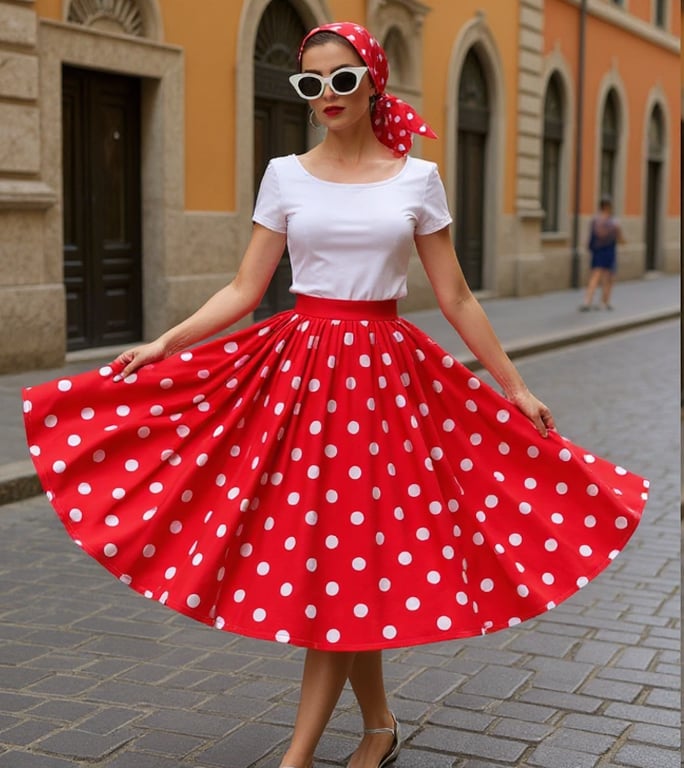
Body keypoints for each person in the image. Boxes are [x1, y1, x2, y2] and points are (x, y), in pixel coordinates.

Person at [22, 22, 648, 768]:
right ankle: (377, 725)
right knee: (341, 563)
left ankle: (300, 758)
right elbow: (244, 288)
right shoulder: (285, 174)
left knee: (347, 563)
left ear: (374, 82)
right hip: (299, 382)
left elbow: (455, 296)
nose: (328, 94)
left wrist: (514, 385)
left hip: (386, 387)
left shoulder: (418, 178)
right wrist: (166, 343)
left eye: (343, 78)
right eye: (311, 82)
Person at [580, 195, 624, 311]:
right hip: (609, 252)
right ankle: (605, 302)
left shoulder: (595, 220)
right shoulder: (614, 222)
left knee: (594, 276)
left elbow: (591, 238)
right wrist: (623, 241)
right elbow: (620, 238)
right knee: (608, 278)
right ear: (608, 207)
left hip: (597, 252)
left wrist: (591, 248)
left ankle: (587, 301)